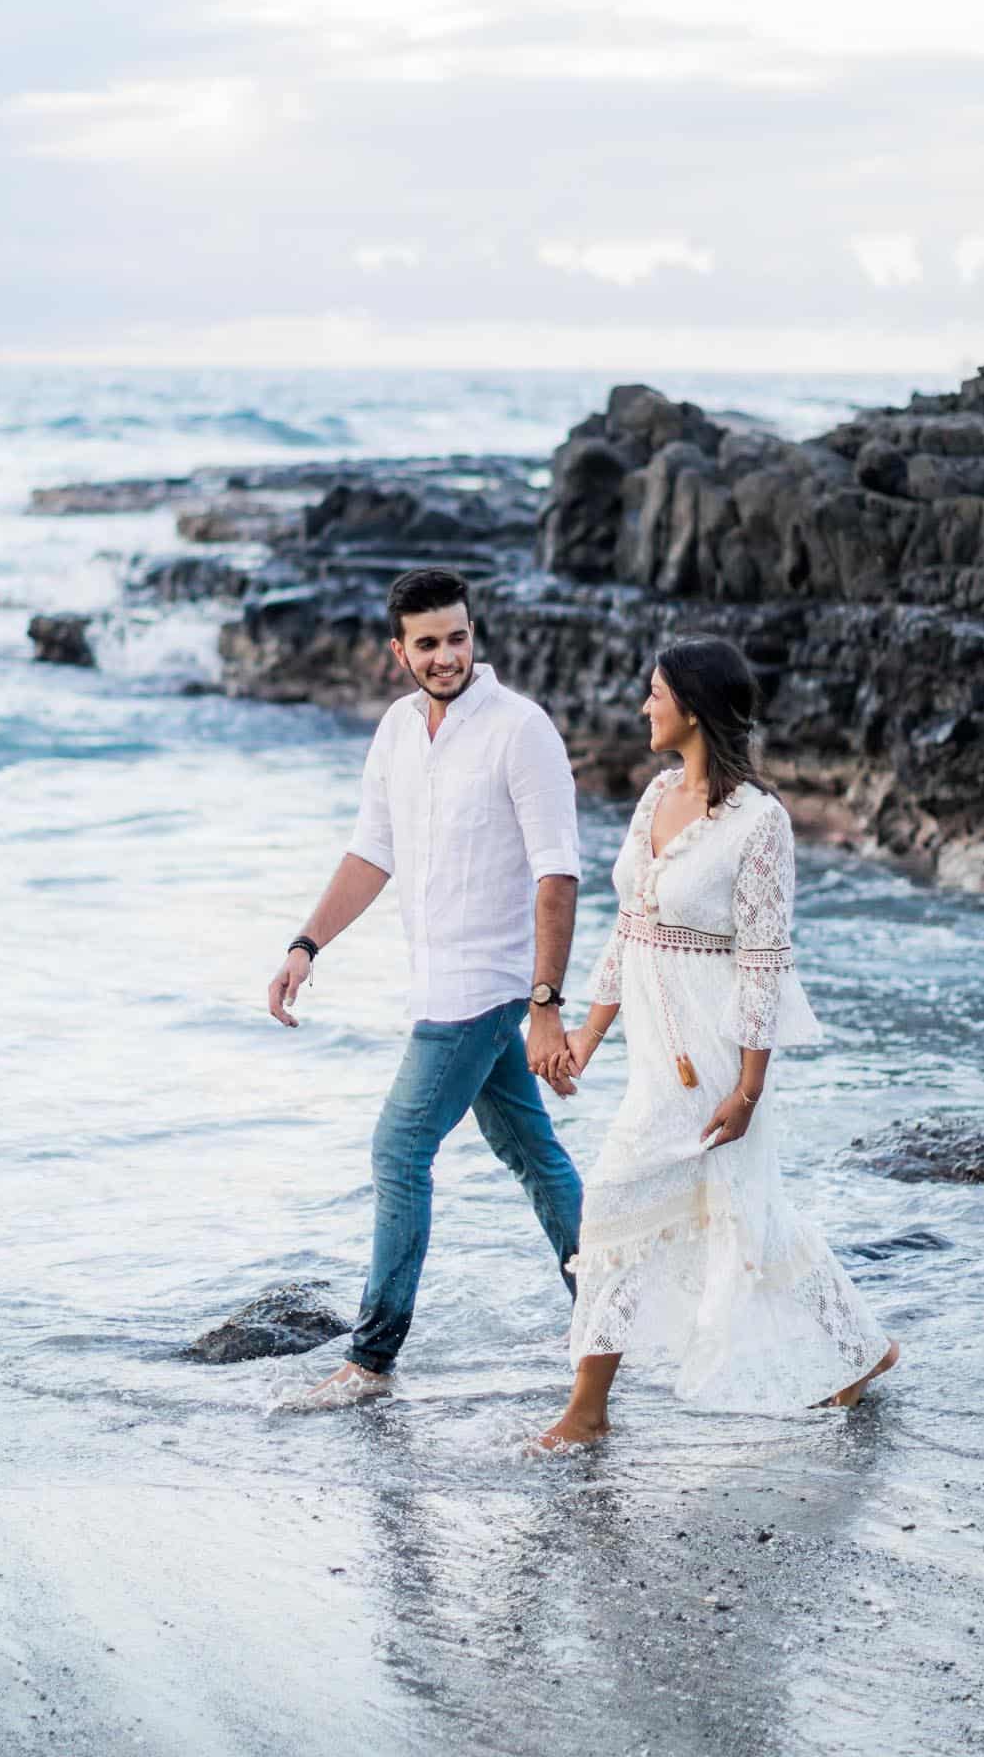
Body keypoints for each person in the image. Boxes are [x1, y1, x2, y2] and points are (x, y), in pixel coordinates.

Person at [538, 636, 898, 1446]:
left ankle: (587, 1412)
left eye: (655, 692)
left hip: (714, 1050)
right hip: (652, 1045)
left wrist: (748, 1090)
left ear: (693, 708)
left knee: (614, 1201)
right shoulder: (655, 796)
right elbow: (629, 928)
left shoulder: (761, 824)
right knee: (751, 1212)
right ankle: (858, 1353)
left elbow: (765, 962)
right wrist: (588, 1040)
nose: (643, 706)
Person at [267, 565, 584, 1406]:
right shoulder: (398, 732)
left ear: (473, 635)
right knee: (531, 1153)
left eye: (458, 637)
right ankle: (610, 1307)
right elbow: (373, 852)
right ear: (397, 650)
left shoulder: (522, 730)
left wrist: (547, 1005)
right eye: (429, 643)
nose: (447, 656)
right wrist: (308, 944)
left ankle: (371, 1359)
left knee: (398, 1151)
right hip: (436, 982)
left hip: (485, 988)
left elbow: (559, 875)